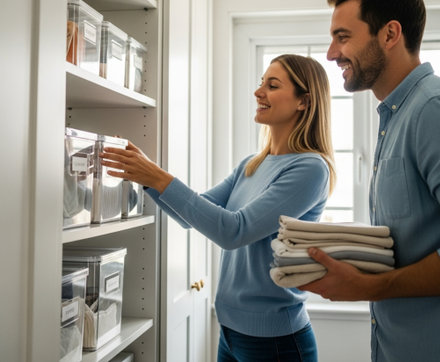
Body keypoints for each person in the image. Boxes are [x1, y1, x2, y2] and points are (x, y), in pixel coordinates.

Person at [100, 54, 336, 362]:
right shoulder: (252, 165)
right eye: (260, 82)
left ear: (304, 101)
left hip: (276, 343)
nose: (259, 92)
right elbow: (191, 217)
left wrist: (157, 175)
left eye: (272, 85)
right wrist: (145, 178)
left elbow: (234, 231)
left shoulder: (310, 168)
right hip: (230, 333)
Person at [299, 0, 440, 362]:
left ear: (390, 34)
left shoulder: (434, 110)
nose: (331, 53)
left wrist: (373, 285)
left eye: (343, 36)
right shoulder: (395, 116)